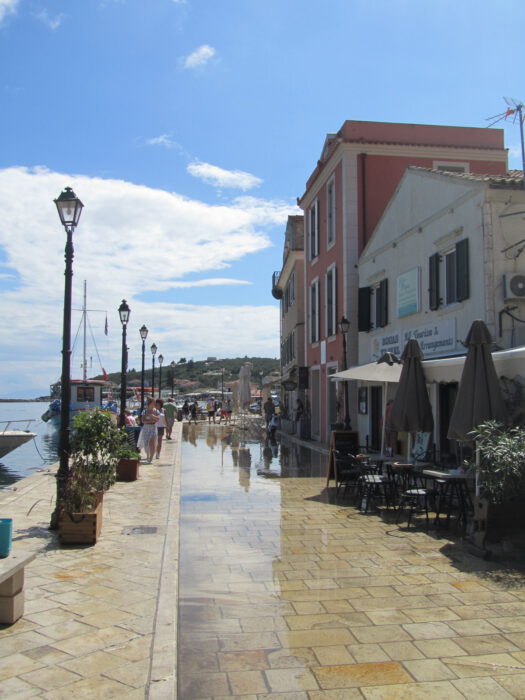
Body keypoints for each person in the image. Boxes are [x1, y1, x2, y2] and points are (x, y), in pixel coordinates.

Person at [137, 396, 159, 463]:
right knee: (147, 444)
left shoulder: (156, 411)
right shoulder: (144, 411)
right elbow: (143, 421)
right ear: (150, 403)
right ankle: (148, 456)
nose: (154, 403)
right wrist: (151, 421)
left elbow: (157, 419)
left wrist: (151, 416)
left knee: (152, 443)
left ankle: (151, 458)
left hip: (153, 428)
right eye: (153, 402)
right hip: (146, 428)